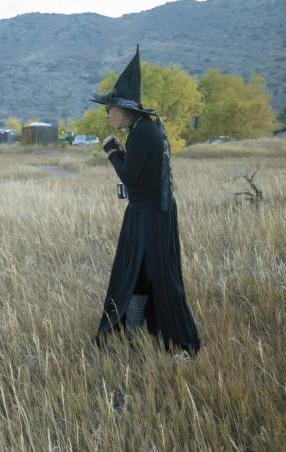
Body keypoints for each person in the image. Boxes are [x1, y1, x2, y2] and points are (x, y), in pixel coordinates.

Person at [91, 46, 200, 355]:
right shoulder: (142, 130)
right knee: (138, 272)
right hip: (146, 214)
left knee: (162, 277)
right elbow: (140, 174)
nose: (107, 114)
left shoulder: (143, 133)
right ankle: (134, 332)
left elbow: (130, 176)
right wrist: (120, 151)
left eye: (110, 109)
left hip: (151, 216)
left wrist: (112, 151)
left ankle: (185, 344)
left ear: (124, 110)